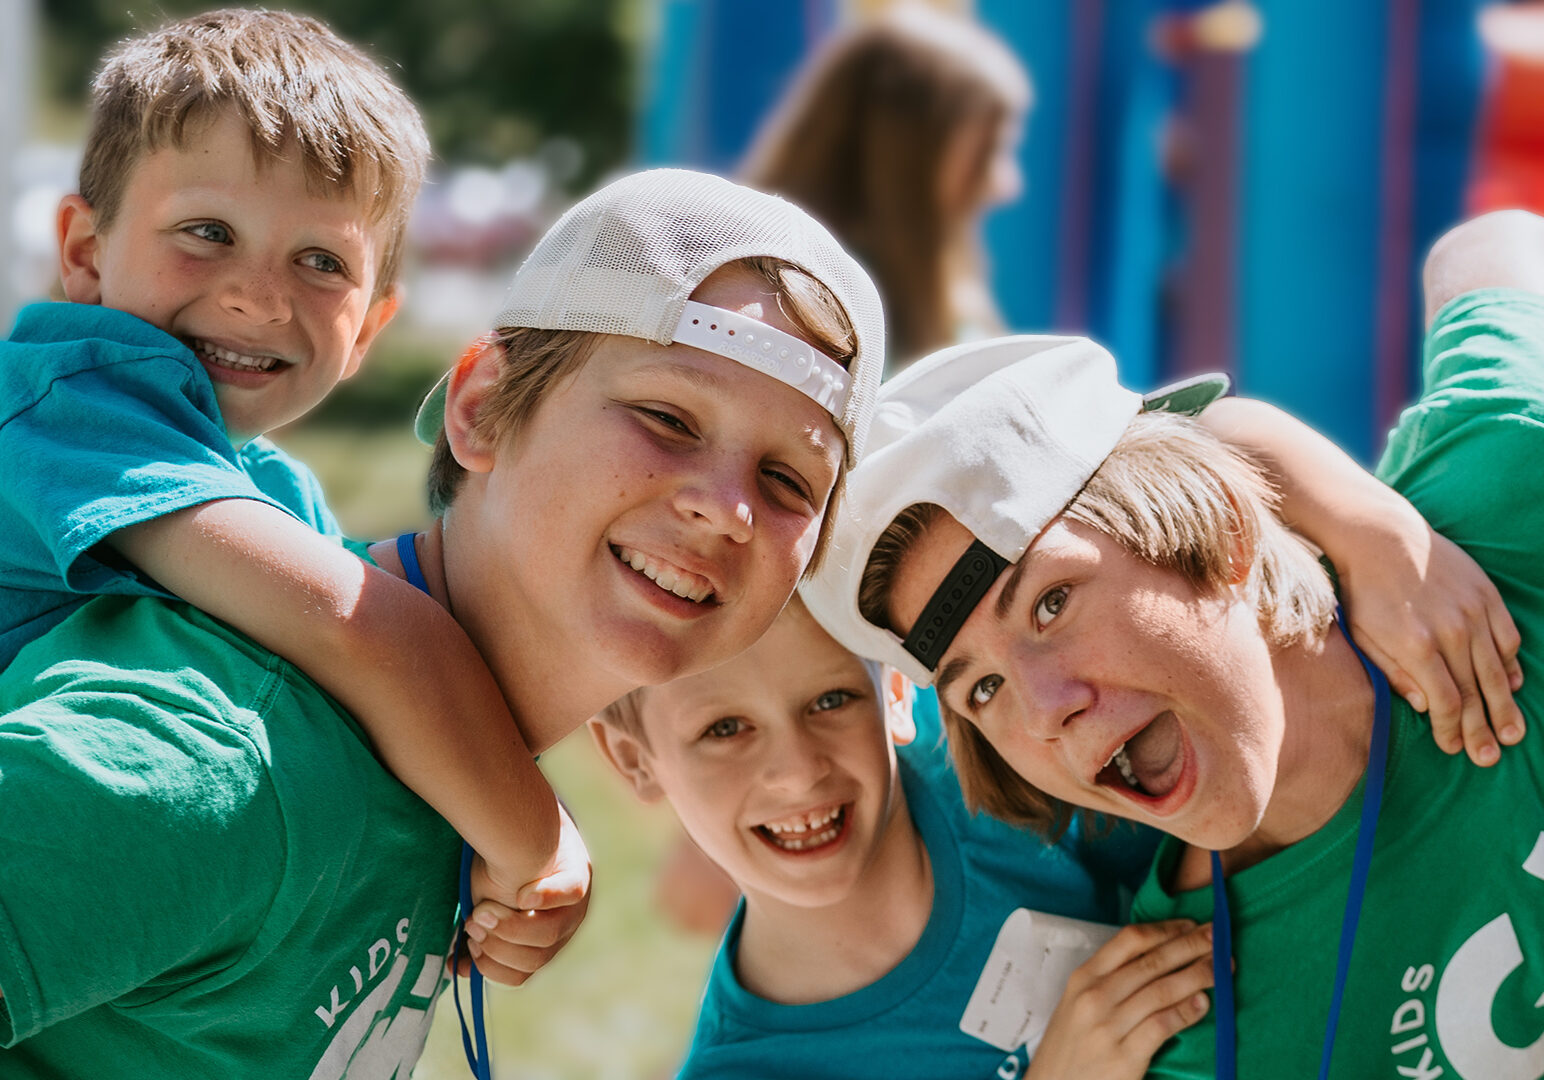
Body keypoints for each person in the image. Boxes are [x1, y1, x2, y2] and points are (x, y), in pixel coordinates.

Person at [0, 164, 884, 1078]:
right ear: (481, 409)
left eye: (787, 483)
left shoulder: (438, 786)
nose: (727, 509)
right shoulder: (223, 762)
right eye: (667, 418)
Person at [803, 212, 1544, 1077]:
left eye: (1049, 605)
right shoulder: (1187, 1020)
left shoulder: (1496, 518)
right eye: (983, 690)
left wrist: (1372, 522)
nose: (1047, 710)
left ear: (1219, 535)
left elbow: (1491, 244)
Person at [0, 8, 575, 934]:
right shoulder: (62, 403)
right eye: (207, 232)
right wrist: (538, 848)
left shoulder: (276, 498)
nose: (259, 297)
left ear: (370, 331)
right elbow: (374, 637)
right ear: (83, 252)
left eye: (320, 261)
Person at [590, 595, 1214, 1080]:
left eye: (832, 699)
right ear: (635, 760)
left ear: (894, 689)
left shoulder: (989, 748)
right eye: (725, 729)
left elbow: (1214, 824)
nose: (800, 771)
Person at [741, 3, 1029, 371]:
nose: (1006, 186)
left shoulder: (942, 285)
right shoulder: (808, 317)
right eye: (986, 155)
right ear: (907, 161)